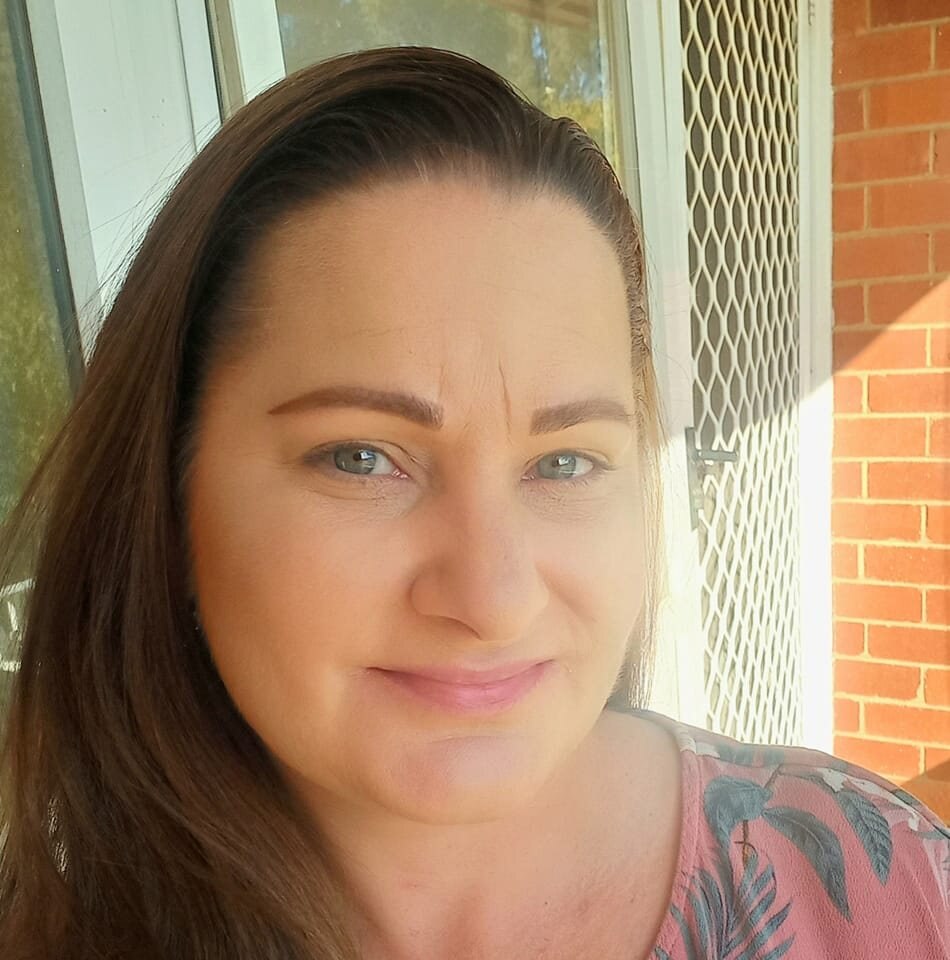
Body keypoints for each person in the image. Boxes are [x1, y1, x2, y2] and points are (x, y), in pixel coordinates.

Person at [0, 45, 945, 960]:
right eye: (362, 457)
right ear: (165, 498)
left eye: (565, 463)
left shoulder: (886, 887)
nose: (492, 597)